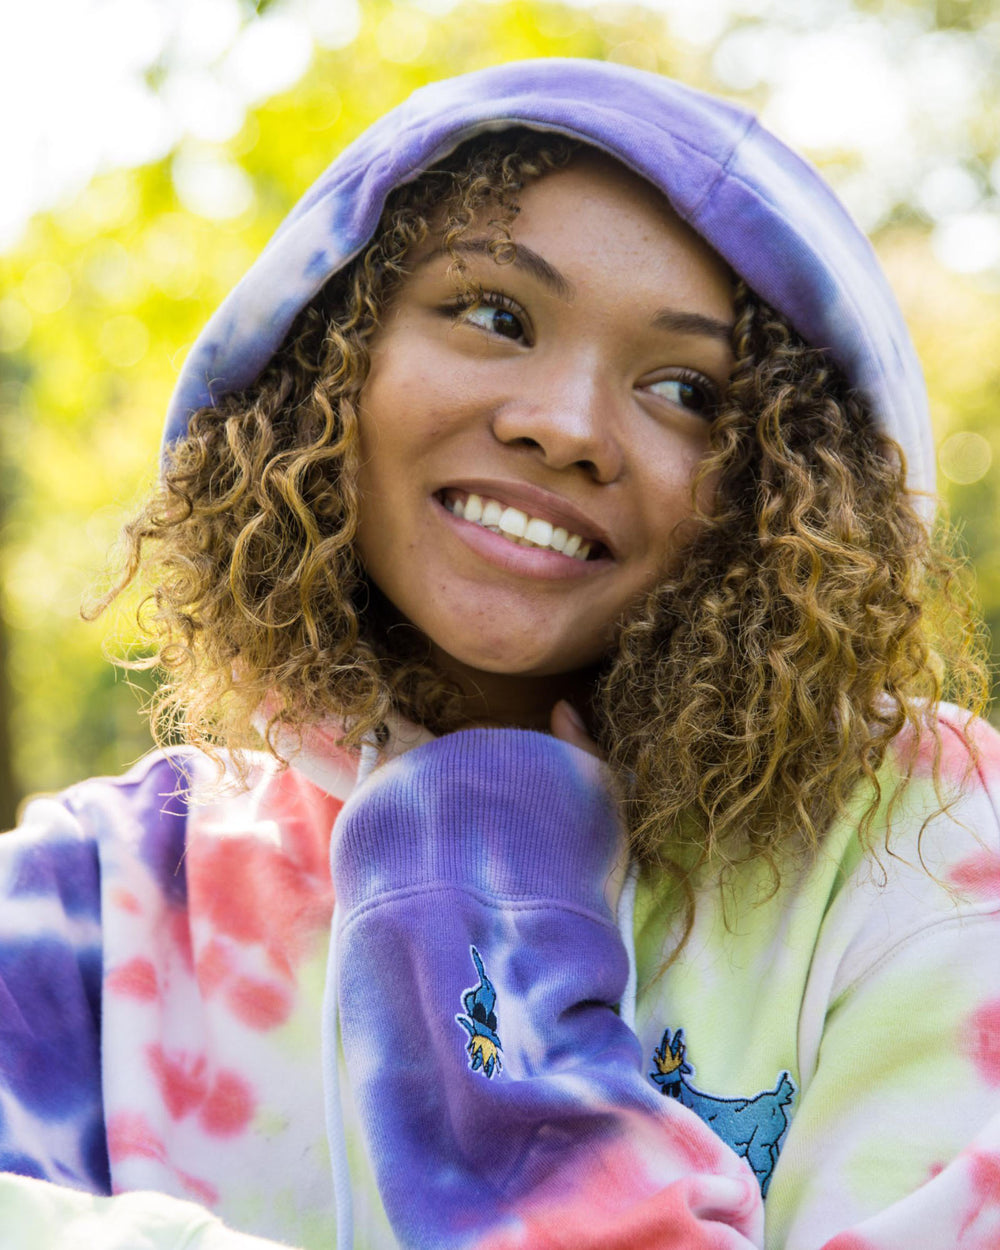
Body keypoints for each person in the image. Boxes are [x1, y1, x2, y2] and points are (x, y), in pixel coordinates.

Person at [0, 56, 998, 1250]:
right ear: (330, 350)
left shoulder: (926, 845)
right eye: (492, 314)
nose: (565, 424)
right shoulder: (95, 898)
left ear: (792, 482)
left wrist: (482, 888)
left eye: (685, 388)